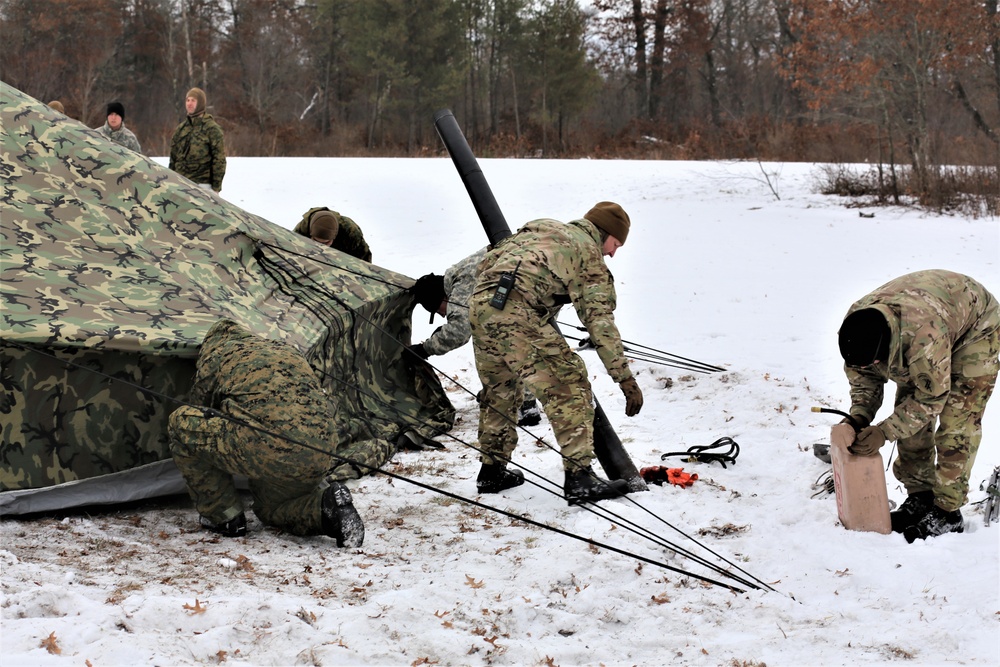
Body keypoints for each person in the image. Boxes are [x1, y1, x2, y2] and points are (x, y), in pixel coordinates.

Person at [469, 201, 644, 505]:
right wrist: (625, 379)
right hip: (517, 313)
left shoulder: (542, 226)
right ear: (605, 234)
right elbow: (599, 322)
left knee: (501, 389)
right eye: (616, 244)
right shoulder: (588, 254)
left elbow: (490, 259)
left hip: (482, 305)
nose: (613, 253)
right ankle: (580, 479)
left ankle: (491, 471)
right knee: (569, 386)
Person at [168, 319, 395, 545]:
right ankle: (326, 508)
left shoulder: (218, 353)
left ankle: (224, 516)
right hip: (321, 448)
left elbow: (201, 406)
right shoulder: (286, 349)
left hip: (266, 447)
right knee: (272, 508)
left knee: (182, 423)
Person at [837, 270, 999, 542]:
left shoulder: (924, 340)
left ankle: (948, 512)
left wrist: (884, 432)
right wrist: (859, 416)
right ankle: (920, 496)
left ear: (883, 353)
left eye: (871, 364)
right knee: (909, 416)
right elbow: (864, 379)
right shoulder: (858, 327)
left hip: (976, 329)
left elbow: (931, 399)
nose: (865, 368)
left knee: (957, 423)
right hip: (931, 317)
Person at [409, 247, 542, 427]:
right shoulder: (461, 274)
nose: (442, 315)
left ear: (441, 298)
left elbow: (461, 330)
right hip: (533, 275)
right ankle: (502, 390)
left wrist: (426, 348)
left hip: (533, 285)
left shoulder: (461, 285)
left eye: (438, 311)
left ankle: (525, 404)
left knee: (507, 337)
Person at [169, 87, 226, 192]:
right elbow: (173, 159)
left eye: (193, 100)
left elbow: (219, 160)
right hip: (180, 185)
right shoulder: (180, 129)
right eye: (187, 100)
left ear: (200, 103)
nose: (189, 103)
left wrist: (216, 189)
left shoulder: (212, 129)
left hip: (203, 186)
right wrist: (170, 182)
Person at [293, 207, 373, 262]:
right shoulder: (302, 229)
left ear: (334, 238)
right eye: (316, 241)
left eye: (326, 243)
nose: (322, 247)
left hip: (343, 258)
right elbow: (290, 251)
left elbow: (364, 260)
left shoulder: (350, 232)